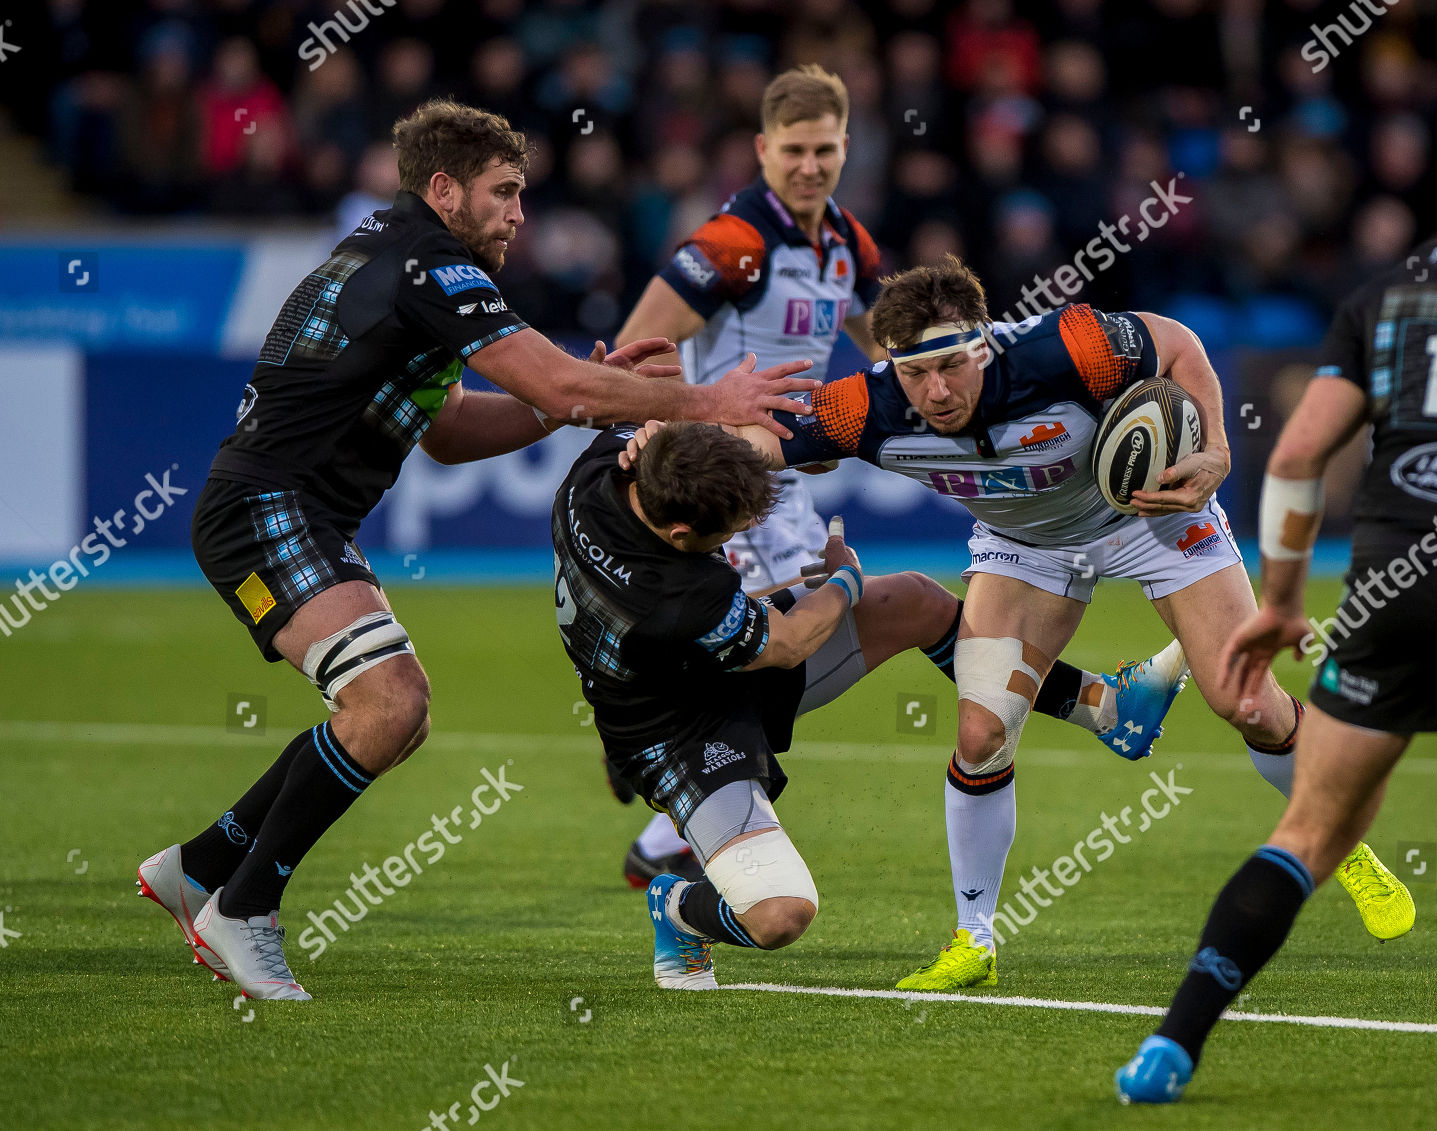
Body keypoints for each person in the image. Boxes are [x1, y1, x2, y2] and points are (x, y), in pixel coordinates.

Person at [135, 99, 818, 1001]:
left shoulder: (392, 251)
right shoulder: (431, 265)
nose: (519, 214)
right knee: (388, 702)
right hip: (267, 508)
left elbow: (451, 429)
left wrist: (578, 390)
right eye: (503, 193)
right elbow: (564, 386)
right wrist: (705, 403)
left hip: (285, 511)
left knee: (401, 717)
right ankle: (243, 906)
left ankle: (199, 864)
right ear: (446, 189)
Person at [717, 255, 1416, 991]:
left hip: (1150, 517)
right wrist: (681, 442)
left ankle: (1343, 845)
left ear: (983, 343)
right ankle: (974, 939)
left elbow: (1176, 343)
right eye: (916, 374)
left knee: (1246, 702)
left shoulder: (1065, 347)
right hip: (1025, 549)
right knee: (981, 734)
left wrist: (1214, 447)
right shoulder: (866, 405)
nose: (938, 390)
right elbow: (759, 444)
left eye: (952, 364)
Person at [1113, 88, 1437, 1105]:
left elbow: (1293, 455)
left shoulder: (1391, 292)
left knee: (1307, 838)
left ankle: (1171, 1049)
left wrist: (1281, 600)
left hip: (1394, 583)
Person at [553, 420, 1189, 988]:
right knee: (779, 917)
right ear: (680, 531)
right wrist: (843, 580)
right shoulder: (680, 592)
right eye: (736, 526)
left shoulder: (600, 469)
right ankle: (676, 909)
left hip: (693, 659)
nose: (748, 529)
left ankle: (1108, 709)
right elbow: (790, 643)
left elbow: (666, 429)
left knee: (915, 600)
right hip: (673, 730)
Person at [608, 64, 886, 885]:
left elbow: (889, 354)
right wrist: (681, 445)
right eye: (794, 149)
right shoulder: (733, 243)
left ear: (846, 147)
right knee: (786, 642)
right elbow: (638, 348)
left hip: (788, 477)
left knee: (797, 644)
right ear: (763, 149)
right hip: (725, 481)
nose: (810, 165)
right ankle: (687, 803)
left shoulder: (847, 246)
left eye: (825, 150)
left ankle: (670, 817)